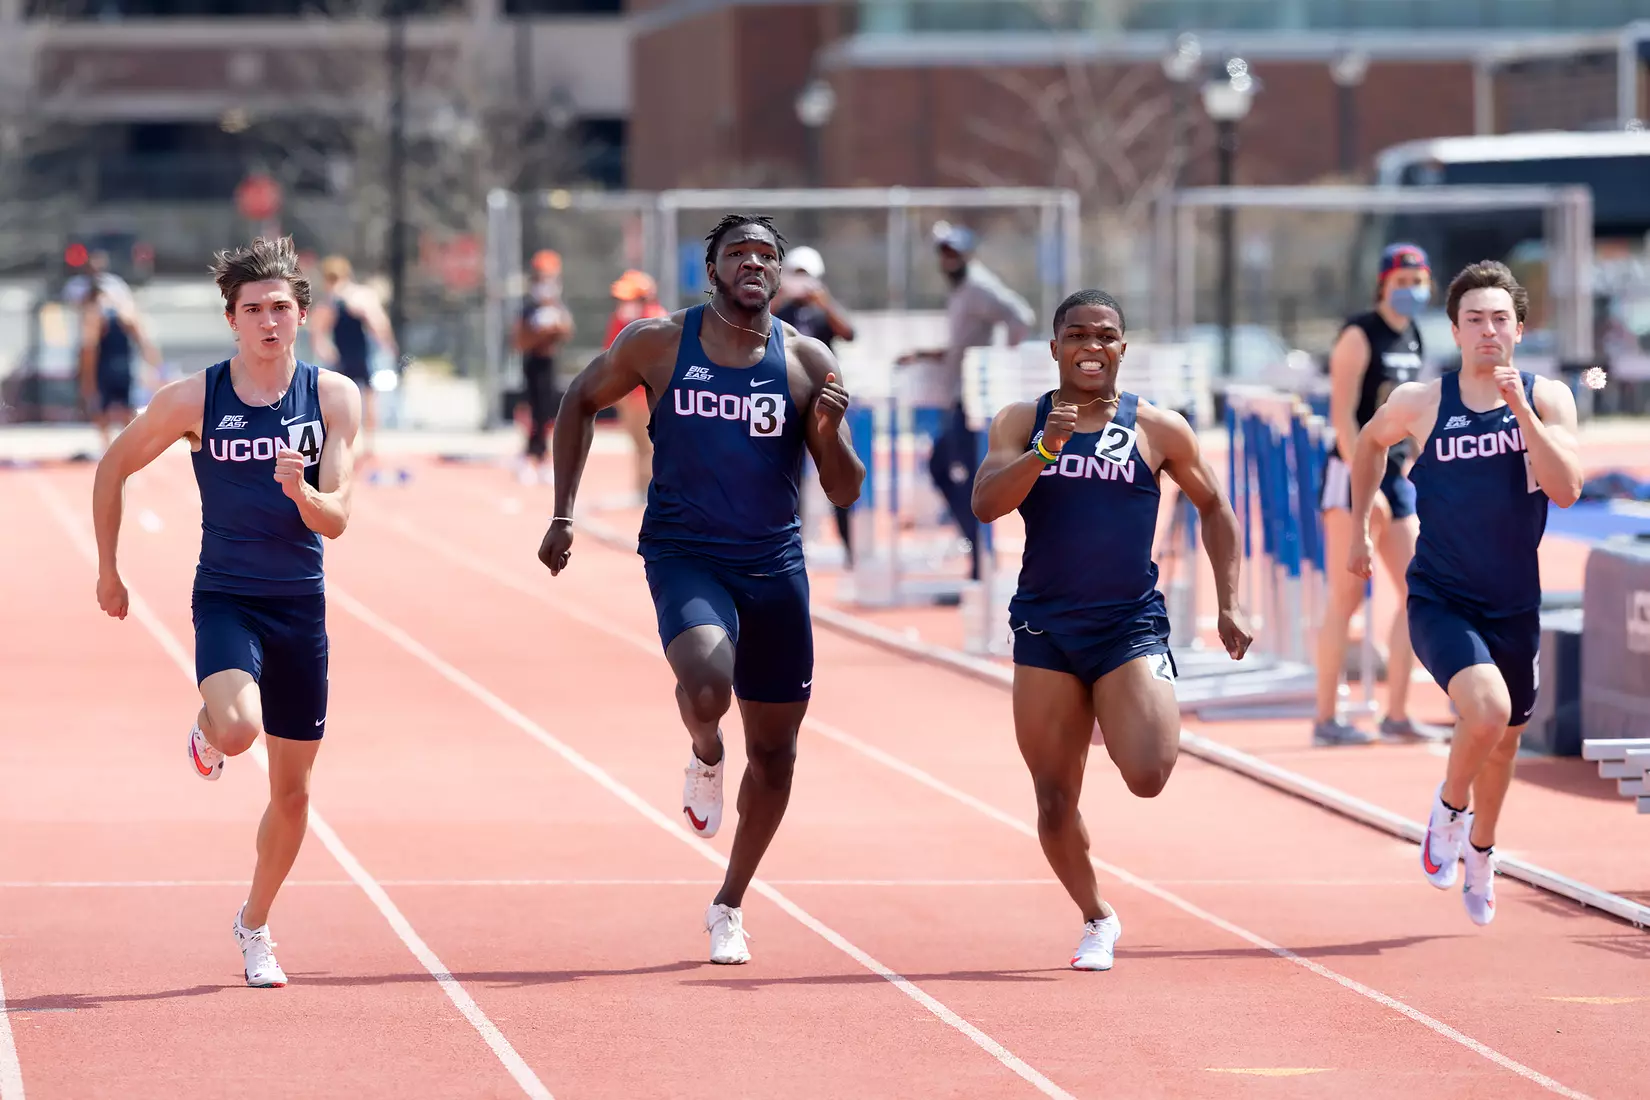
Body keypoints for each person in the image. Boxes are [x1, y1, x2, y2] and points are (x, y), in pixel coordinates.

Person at [537, 214, 864, 965]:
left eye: (765, 255)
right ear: (711, 269)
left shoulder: (808, 362)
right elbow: (579, 401)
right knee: (709, 678)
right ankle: (705, 750)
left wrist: (831, 433)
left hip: (774, 566)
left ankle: (730, 903)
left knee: (778, 755)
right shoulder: (658, 343)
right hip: (686, 553)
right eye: (736, 253)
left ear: (779, 274)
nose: (752, 262)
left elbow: (844, 491)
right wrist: (563, 513)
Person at [91, 236, 362, 986]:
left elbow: (337, 519)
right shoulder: (193, 399)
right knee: (239, 729)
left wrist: (305, 495)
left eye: (281, 307)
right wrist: (109, 570)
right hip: (228, 598)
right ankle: (209, 729)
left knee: (294, 792)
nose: (268, 321)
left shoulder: (333, 398)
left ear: (301, 315)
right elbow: (113, 466)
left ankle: (255, 924)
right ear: (232, 320)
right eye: (253, 310)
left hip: (300, 606)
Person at [971, 289, 1252, 972]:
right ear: (1055, 348)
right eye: (1076, 336)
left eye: (1104, 336)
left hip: (1128, 625)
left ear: (1123, 348)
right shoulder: (1020, 421)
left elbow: (1215, 506)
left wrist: (1230, 601)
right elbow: (985, 504)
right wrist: (1045, 450)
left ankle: (1115, 703)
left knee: (1149, 773)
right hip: (1045, 626)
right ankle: (1097, 916)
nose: (1090, 348)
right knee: (1053, 798)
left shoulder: (1159, 428)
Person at [1349, 261, 1582, 926]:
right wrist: (1361, 526)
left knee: (1505, 741)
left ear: (1520, 328)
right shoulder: (1422, 402)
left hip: (1515, 603)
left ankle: (1482, 849)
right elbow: (1368, 444)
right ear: (1454, 328)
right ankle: (1449, 813)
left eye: (1500, 318)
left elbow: (1566, 489)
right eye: (1475, 318)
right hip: (1441, 596)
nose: (1488, 330)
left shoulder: (1548, 398)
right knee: (1484, 712)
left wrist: (1519, 411)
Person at [1312, 243, 1439, 746]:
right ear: (1383, 285)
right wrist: (1364, 484)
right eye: (1401, 283)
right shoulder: (1358, 334)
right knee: (1347, 597)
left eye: (1418, 283)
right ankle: (1326, 717)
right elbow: (1342, 414)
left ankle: (1397, 713)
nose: (1410, 292)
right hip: (1351, 470)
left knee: (1419, 590)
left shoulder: (1414, 337)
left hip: (1395, 471)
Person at [899, 223, 1035, 580]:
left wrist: (998, 361)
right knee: (946, 469)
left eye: (953, 252)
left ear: (966, 254)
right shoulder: (961, 290)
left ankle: (982, 555)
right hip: (959, 395)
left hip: (973, 400)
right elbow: (964, 343)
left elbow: (1021, 317)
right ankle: (978, 550)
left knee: (963, 473)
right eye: (943, 252)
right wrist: (926, 355)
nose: (947, 258)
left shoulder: (977, 286)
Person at [772, 246, 857, 564]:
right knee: (789, 475)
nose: (801, 283)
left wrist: (824, 301)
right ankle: (792, 545)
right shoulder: (783, 310)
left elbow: (849, 333)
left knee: (837, 468)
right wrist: (780, 297)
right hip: (789, 402)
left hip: (824, 402)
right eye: (796, 276)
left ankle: (849, 548)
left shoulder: (824, 311)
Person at [309, 256, 396, 464]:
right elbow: (378, 323)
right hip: (356, 355)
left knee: (353, 401)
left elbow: (318, 330)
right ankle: (362, 445)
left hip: (354, 355)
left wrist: (324, 348)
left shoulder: (348, 298)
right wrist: (387, 344)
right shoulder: (345, 299)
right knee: (360, 400)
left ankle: (362, 445)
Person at [605, 269, 670, 501]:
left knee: (649, 446)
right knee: (638, 445)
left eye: (629, 299)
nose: (623, 303)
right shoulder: (621, 319)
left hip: (646, 395)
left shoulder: (656, 320)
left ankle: (650, 492)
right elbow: (611, 354)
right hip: (628, 394)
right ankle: (642, 490)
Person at [513, 250, 574, 485]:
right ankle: (530, 456)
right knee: (532, 410)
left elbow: (567, 330)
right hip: (532, 362)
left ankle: (543, 456)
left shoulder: (557, 305)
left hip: (549, 362)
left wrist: (554, 329)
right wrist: (537, 335)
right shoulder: (528, 306)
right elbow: (519, 339)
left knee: (548, 411)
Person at [79, 276, 160, 452]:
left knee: (100, 410)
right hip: (126, 367)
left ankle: (107, 448)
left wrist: (87, 379)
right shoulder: (126, 313)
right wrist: (155, 366)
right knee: (127, 409)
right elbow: (144, 341)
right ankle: (130, 447)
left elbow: (89, 350)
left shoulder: (94, 315)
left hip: (104, 368)